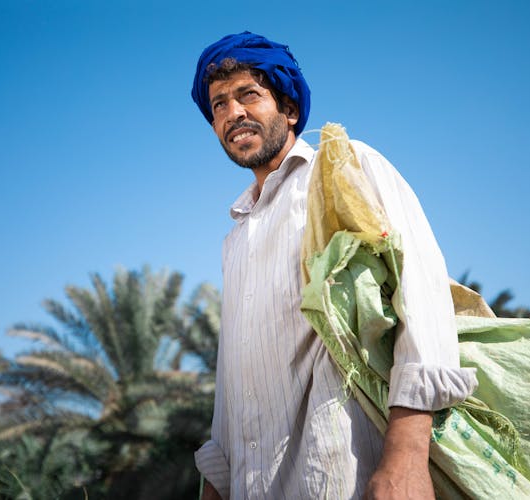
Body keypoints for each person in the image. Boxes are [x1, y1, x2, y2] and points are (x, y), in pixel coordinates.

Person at [191, 32, 478, 500]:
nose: (233, 113)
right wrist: (217, 483)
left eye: (249, 95)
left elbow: (421, 294)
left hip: (340, 474)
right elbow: (235, 373)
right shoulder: (236, 236)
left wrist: (406, 457)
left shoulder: (343, 166)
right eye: (219, 104)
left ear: (288, 109)